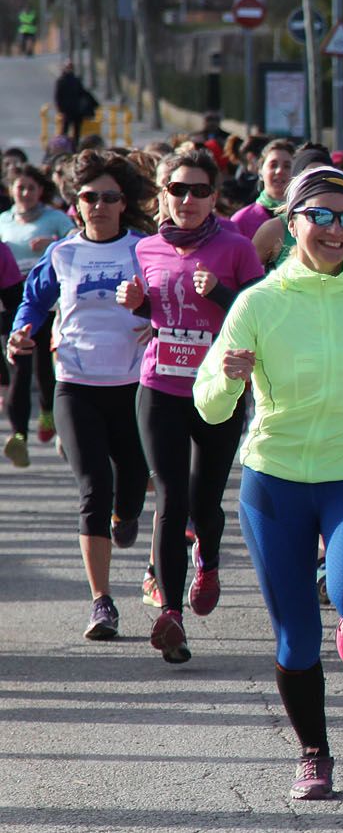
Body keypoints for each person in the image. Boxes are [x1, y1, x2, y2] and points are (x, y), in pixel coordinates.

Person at [194, 165, 343, 800]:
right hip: (275, 480)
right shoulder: (259, 302)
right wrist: (230, 378)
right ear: (291, 221)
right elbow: (210, 406)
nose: (334, 230)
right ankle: (315, 753)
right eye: (319, 216)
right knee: (295, 633)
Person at [118, 148, 265, 663]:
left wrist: (222, 294)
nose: (187, 199)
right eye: (177, 189)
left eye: (199, 190)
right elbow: (153, 312)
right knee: (170, 499)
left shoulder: (237, 247)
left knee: (205, 504)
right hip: (159, 385)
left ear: (214, 196)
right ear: (164, 193)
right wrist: (136, 302)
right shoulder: (147, 248)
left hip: (217, 391)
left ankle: (208, 557)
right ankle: (171, 615)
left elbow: (258, 316)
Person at [9, 150, 154, 643]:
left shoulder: (145, 249)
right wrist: (22, 330)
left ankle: (126, 513)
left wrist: (153, 317)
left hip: (134, 386)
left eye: (109, 197)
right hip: (75, 383)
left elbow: (172, 300)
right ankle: (102, 602)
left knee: (132, 481)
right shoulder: (64, 253)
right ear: (77, 204)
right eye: (89, 197)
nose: (98, 205)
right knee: (94, 485)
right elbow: (34, 299)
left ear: (123, 202)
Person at [0, 166, 75, 464]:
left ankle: (46, 412)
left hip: (49, 303)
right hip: (16, 304)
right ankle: (18, 434)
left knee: (46, 368)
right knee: (20, 367)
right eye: (20, 187)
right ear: (11, 190)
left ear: (40, 191)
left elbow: (75, 242)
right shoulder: (3, 221)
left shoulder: (55, 219)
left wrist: (51, 246)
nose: (26, 193)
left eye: (31, 187)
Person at [231, 139, 295, 241]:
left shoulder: (303, 218)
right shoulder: (241, 221)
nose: (279, 171)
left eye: (287, 166)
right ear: (260, 171)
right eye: (273, 165)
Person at [54, 61, 96, 149]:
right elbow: (83, 93)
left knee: (67, 130)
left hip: (69, 110)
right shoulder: (74, 80)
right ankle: (72, 147)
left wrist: (60, 108)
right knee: (75, 131)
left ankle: (64, 147)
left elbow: (58, 96)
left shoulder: (62, 80)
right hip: (76, 110)